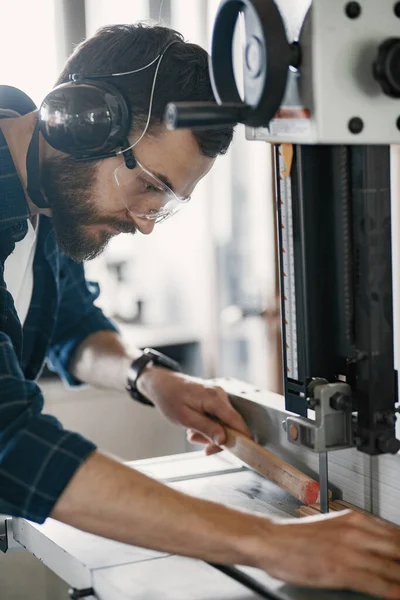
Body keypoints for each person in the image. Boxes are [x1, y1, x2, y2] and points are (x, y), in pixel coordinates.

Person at [1, 22, 400, 599]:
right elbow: (11, 444)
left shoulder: (43, 197)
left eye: (164, 205)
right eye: (145, 185)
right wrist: (271, 543)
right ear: (79, 118)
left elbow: (68, 326)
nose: (143, 221)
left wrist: (151, 378)